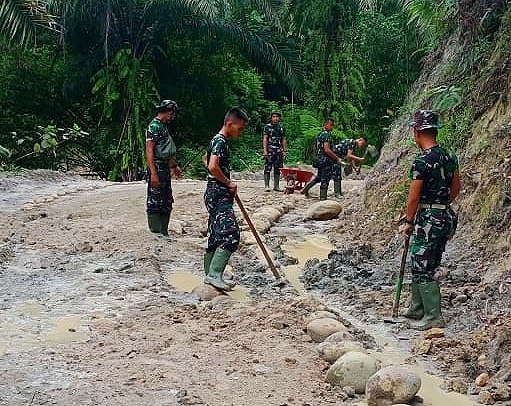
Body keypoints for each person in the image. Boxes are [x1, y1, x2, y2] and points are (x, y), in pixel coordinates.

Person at [399, 110, 461, 330]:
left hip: (427, 218)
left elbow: (414, 196)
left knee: (421, 264)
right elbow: (456, 188)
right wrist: (441, 203)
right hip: (444, 215)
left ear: (417, 133)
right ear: (435, 130)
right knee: (428, 262)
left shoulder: (422, 161)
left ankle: (433, 315)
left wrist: (408, 221)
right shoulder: (449, 156)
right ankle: (417, 307)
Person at [203, 107, 249, 291]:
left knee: (216, 234)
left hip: (214, 192)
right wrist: (228, 183)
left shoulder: (216, 140)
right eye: (240, 128)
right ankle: (214, 275)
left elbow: (205, 160)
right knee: (231, 234)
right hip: (218, 193)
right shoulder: (220, 141)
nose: (241, 132)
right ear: (229, 124)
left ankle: (210, 275)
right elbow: (213, 166)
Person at [145, 99, 182, 239]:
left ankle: (164, 231)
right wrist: (153, 173)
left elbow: (166, 151)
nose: (172, 118)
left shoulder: (163, 127)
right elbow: (149, 151)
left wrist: (174, 166)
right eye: (172, 114)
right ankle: (155, 232)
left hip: (165, 169)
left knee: (166, 200)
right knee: (155, 200)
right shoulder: (154, 126)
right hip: (157, 168)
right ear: (169, 112)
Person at [300, 118, 343, 200]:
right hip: (325, 160)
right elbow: (327, 149)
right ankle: (323, 197)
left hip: (319, 158)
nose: (332, 127)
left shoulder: (320, 134)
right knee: (325, 179)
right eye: (331, 125)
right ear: (326, 124)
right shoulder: (326, 135)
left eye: (333, 125)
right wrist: (336, 158)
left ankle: (305, 189)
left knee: (319, 177)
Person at [263, 111, 287, 191]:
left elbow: (283, 139)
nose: (275, 118)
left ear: (279, 118)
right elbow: (265, 138)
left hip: (278, 150)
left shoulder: (281, 128)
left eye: (277, 116)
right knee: (267, 167)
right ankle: (267, 186)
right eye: (274, 116)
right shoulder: (267, 127)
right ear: (271, 118)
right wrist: (265, 150)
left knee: (278, 168)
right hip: (270, 149)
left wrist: (284, 150)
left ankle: (276, 186)